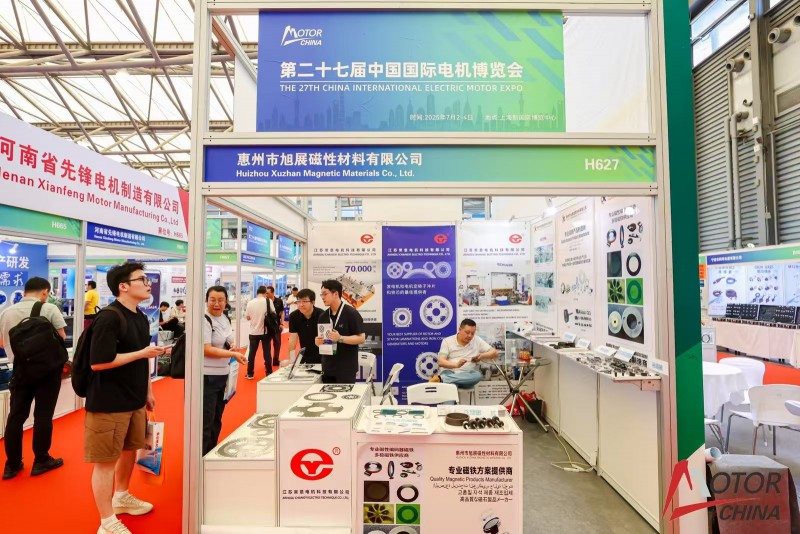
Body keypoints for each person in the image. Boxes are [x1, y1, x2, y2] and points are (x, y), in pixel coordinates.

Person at [85, 262, 165, 534]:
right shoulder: (109, 318)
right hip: (109, 401)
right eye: (142, 279)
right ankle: (106, 521)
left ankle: (121, 496)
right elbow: (99, 362)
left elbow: (143, 358)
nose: (148, 284)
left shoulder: (140, 316)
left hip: (134, 399)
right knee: (106, 461)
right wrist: (142, 354)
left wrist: (148, 391)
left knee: (130, 450)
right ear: (123, 286)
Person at [0, 277, 66, 480]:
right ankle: (41, 460)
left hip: (20, 371)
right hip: (47, 371)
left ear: (25, 291)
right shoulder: (49, 309)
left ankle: (12, 465)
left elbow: (2, 343)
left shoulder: (6, 313)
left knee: (16, 417)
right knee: (43, 415)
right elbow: (62, 337)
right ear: (45, 292)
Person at [203, 286, 247, 456]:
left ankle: (210, 453)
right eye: (212, 300)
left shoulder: (224, 318)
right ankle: (200, 458)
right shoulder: (204, 320)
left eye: (221, 300)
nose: (217, 303)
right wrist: (233, 353)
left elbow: (228, 338)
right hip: (206, 377)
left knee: (216, 418)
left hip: (222, 375)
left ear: (226, 301)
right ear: (206, 300)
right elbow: (206, 349)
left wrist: (232, 345)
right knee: (205, 421)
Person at [314, 279, 365, 383]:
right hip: (328, 368)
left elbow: (361, 338)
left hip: (345, 369)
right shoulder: (323, 316)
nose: (322, 297)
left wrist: (340, 338)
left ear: (335, 294)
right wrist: (318, 342)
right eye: (321, 294)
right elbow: (321, 339)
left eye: (325, 294)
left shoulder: (351, 313)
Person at [437, 318, 498, 389]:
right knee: (451, 387)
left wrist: (482, 356)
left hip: (467, 375)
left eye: (472, 333)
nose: (470, 336)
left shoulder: (477, 340)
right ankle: (447, 380)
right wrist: (456, 365)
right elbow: (441, 362)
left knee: (477, 375)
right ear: (460, 330)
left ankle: (441, 379)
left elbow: (494, 352)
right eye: (467, 332)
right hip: (449, 372)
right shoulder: (447, 341)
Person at [288, 288, 324, 365]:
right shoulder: (293, 316)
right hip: (304, 356)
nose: (301, 304)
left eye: (304, 301)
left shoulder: (322, 315)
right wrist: (291, 358)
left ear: (313, 302)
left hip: (322, 356)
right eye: (298, 301)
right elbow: (292, 338)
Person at [244, 286, 270, 379]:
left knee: (252, 354)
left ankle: (250, 373)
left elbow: (248, 317)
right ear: (265, 293)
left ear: (257, 293)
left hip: (253, 332)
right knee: (267, 353)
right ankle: (269, 372)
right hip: (265, 331)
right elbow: (273, 313)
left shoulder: (250, 302)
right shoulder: (268, 301)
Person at [265, 286, 284, 366]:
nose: (266, 295)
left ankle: (276, 360)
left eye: (268, 293)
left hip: (277, 325)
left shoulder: (279, 301)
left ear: (272, 293)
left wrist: (282, 323)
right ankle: (267, 361)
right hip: (267, 326)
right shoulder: (265, 301)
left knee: (277, 344)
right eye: (265, 293)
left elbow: (282, 312)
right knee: (267, 344)